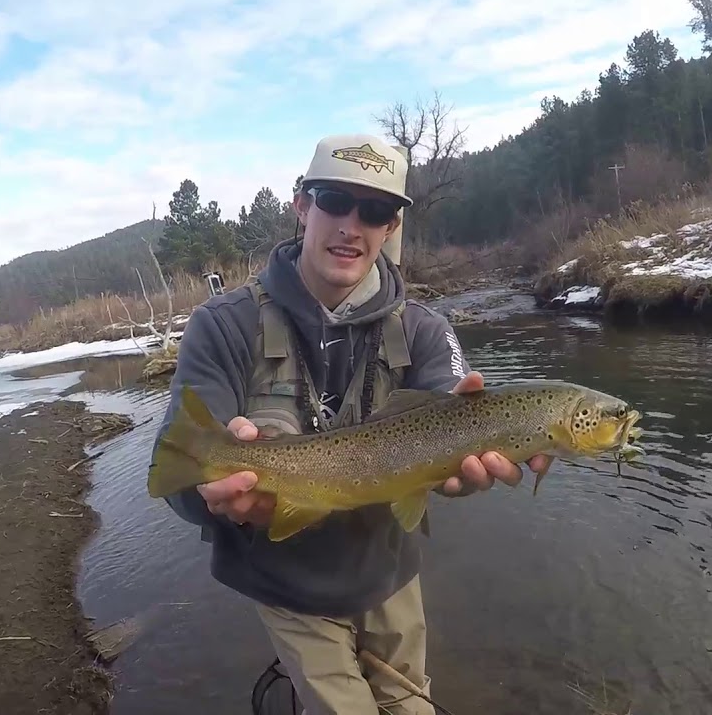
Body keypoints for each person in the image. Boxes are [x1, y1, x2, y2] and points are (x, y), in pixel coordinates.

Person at [151, 134, 553, 715]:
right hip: (284, 581)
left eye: (375, 210)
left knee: (411, 707)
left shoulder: (427, 331)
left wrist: (468, 464)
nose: (351, 225)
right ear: (302, 205)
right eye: (336, 200)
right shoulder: (221, 327)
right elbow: (175, 472)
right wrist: (208, 497)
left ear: (391, 226)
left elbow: (455, 435)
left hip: (388, 571)